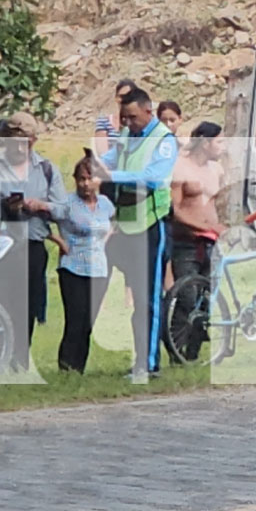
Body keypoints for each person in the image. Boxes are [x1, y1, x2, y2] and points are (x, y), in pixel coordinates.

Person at [0, 112, 66, 366]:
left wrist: (40, 206)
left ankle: (20, 361)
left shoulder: (46, 169)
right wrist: (2, 207)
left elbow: (64, 209)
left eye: (25, 141)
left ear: (34, 141)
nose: (19, 148)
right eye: (13, 142)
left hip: (32, 247)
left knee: (27, 306)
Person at [98, 85, 179, 384]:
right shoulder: (126, 135)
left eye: (132, 117)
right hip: (126, 222)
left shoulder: (164, 141)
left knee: (148, 297)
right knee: (124, 288)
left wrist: (112, 177)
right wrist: (95, 168)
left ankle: (149, 363)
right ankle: (138, 356)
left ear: (148, 111)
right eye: (123, 118)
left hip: (151, 224)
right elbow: (110, 159)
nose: (128, 123)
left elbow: (154, 178)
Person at [26, 156, 114, 373]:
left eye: (89, 178)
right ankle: (66, 367)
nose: (85, 184)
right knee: (75, 319)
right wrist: (57, 240)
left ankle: (79, 368)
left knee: (88, 323)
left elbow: (112, 224)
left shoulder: (106, 205)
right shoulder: (67, 204)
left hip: (99, 269)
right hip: (73, 267)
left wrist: (106, 241)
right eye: (80, 179)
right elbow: (39, 215)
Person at [168, 121, 226, 282]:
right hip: (187, 243)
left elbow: (218, 204)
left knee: (209, 298)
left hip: (212, 243)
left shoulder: (217, 170)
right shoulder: (180, 167)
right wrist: (207, 227)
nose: (223, 147)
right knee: (188, 298)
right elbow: (174, 210)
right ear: (205, 143)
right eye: (219, 142)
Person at [94, 78, 138, 156]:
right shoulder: (103, 122)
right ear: (116, 98)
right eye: (121, 96)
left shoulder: (141, 124)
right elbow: (102, 154)